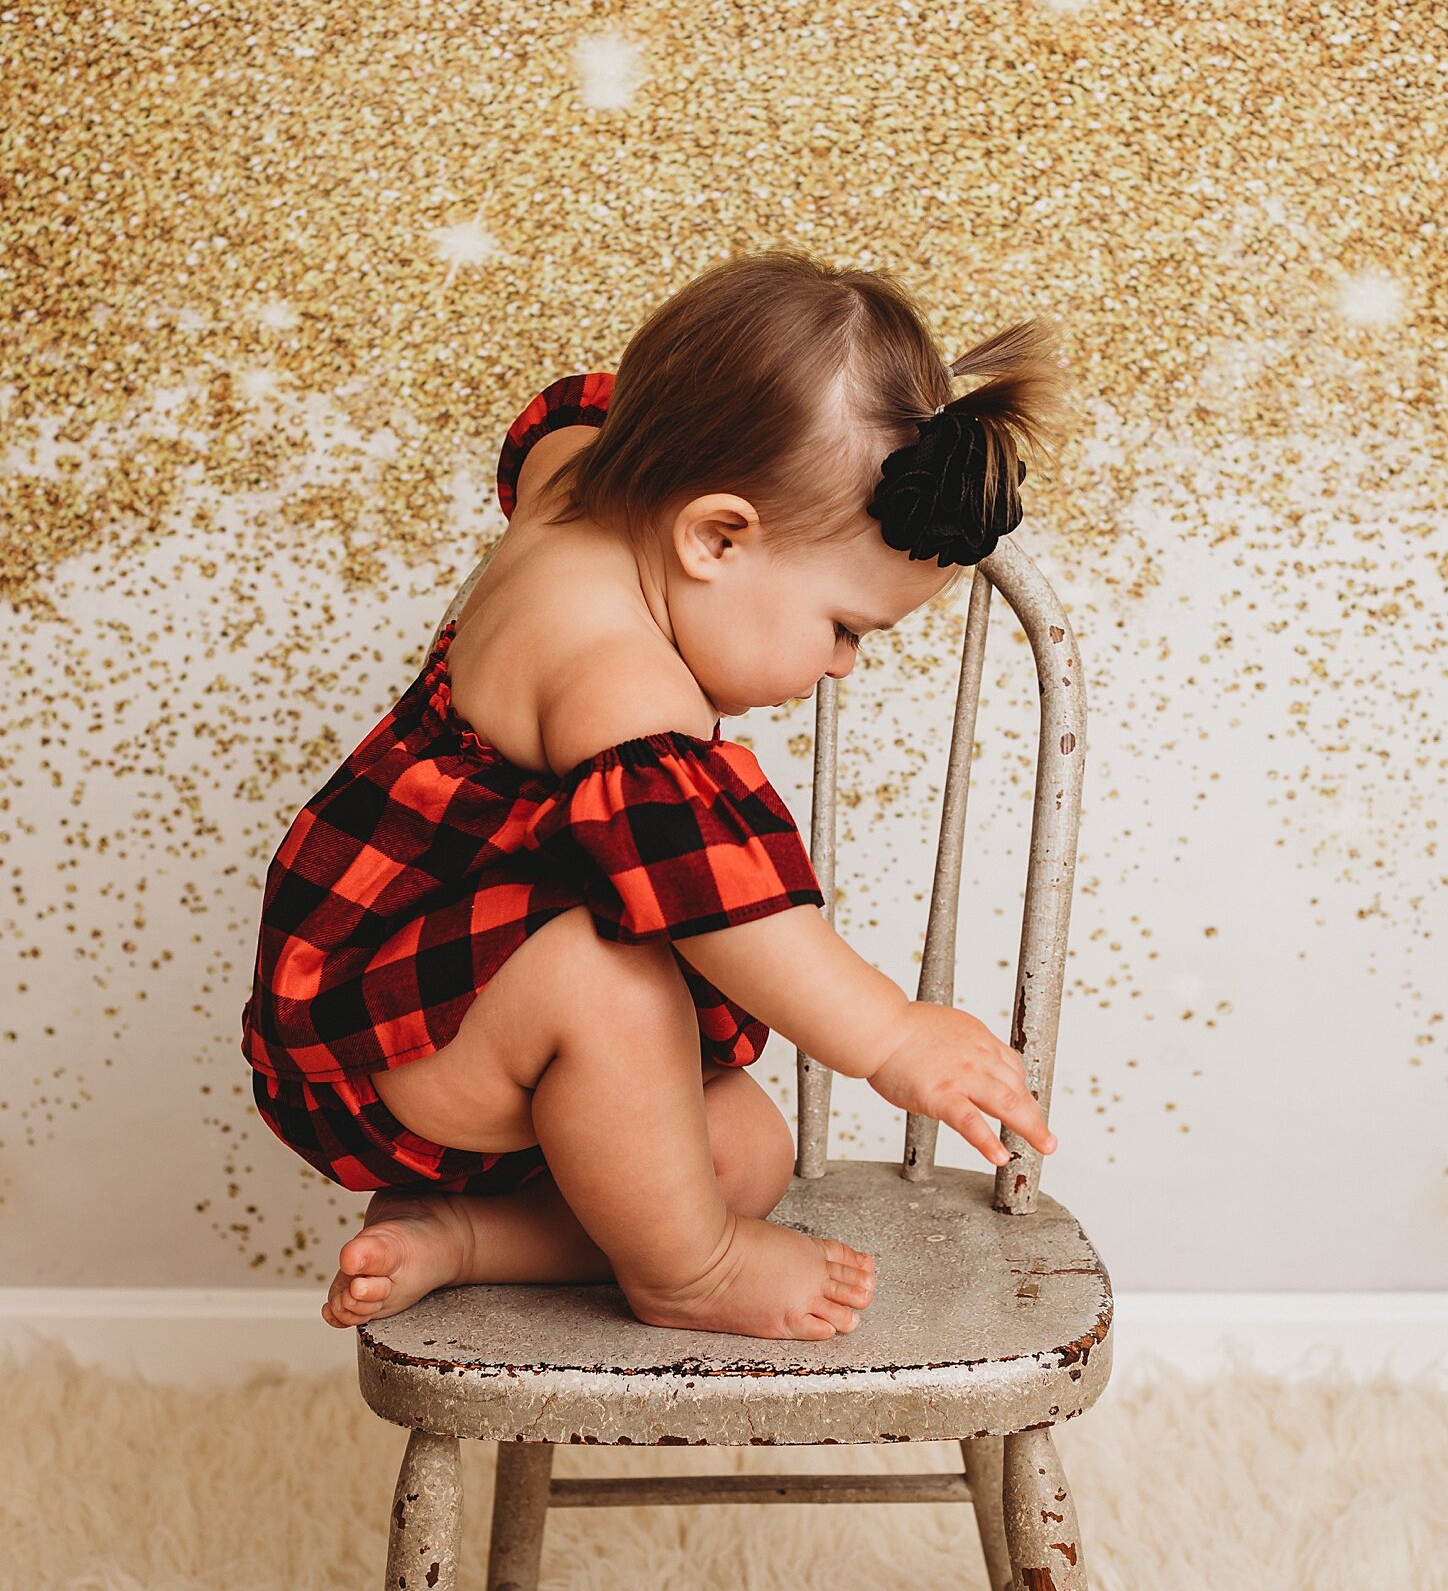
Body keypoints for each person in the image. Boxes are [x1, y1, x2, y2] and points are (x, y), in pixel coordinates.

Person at [241, 251, 1067, 1343]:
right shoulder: (614, 680)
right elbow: (727, 905)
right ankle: (691, 1272)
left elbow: (577, 414)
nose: (841, 670)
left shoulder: (578, 479)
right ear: (714, 537)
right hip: (390, 1038)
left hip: (485, 1026)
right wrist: (890, 1034)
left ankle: (467, 1237)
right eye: (844, 629)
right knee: (612, 980)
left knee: (746, 1153)